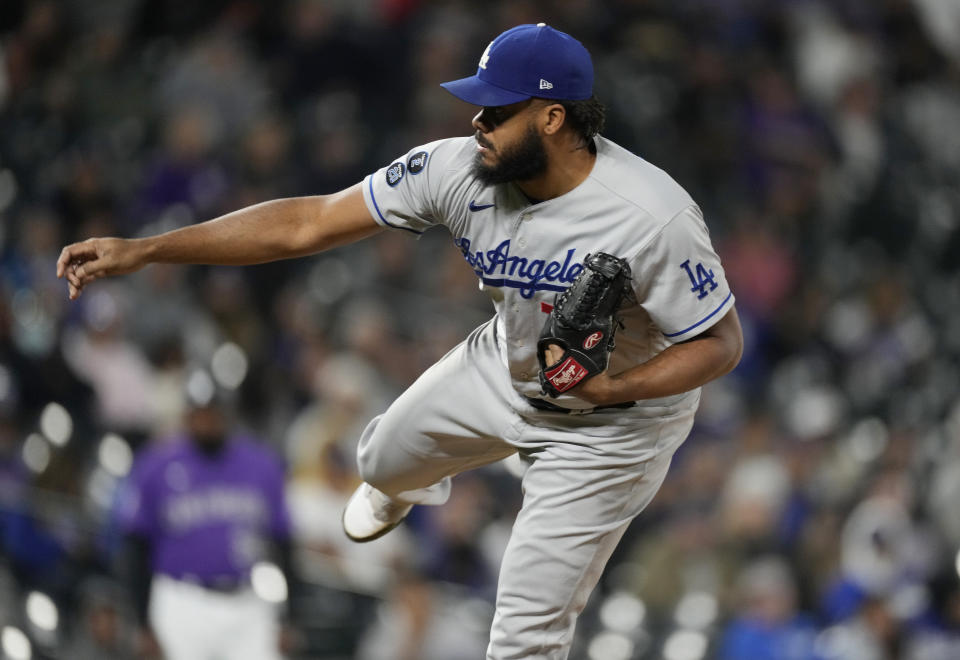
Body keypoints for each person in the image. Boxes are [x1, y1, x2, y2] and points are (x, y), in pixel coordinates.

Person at [59, 23, 743, 659]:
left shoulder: (652, 216)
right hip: (510, 364)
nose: (477, 121)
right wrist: (147, 250)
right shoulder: (458, 170)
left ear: (553, 118)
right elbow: (307, 223)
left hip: (613, 427)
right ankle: (409, 482)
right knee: (379, 458)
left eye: (496, 111)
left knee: (523, 634)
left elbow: (721, 343)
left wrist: (618, 386)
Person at [116, 389, 298, 660]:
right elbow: (136, 548)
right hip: (183, 601)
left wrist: (290, 617)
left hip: (249, 599)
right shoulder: (157, 465)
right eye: (200, 413)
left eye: (213, 412)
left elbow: (284, 544)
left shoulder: (261, 464)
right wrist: (143, 622)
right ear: (187, 416)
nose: (207, 419)